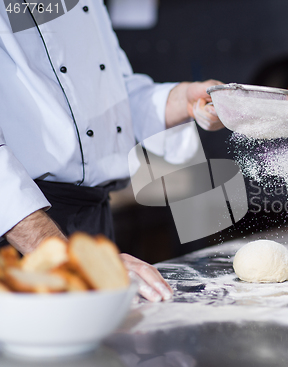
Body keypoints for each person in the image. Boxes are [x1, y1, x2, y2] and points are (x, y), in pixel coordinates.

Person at [0, 1, 224, 302]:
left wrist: (181, 99)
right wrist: (64, 258)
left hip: (91, 222)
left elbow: (111, 96)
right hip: (24, 234)